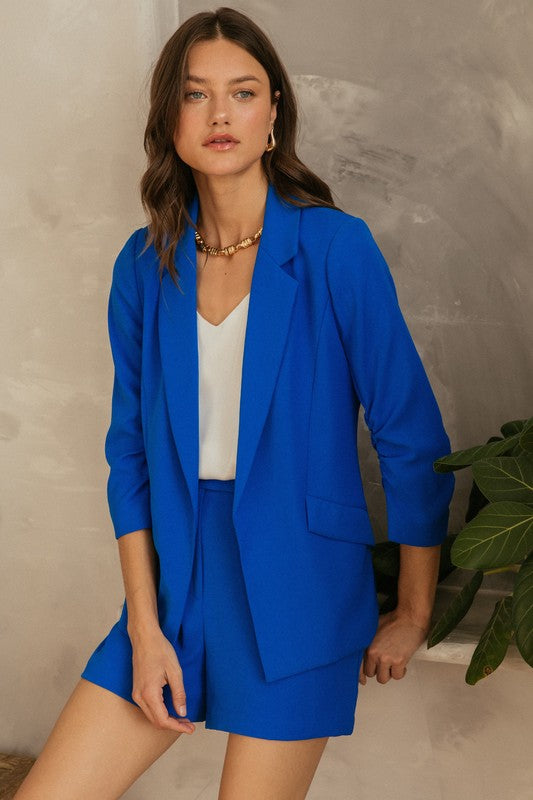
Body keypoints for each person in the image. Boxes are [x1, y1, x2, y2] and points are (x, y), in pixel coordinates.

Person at [14, 6, 455, 799]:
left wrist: (414, 611)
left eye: (242, 92)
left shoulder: (334, 248)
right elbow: (129, 455)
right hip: (176, 584)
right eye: (196, 94)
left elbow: (409, 436)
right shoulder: (144, 265)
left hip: (301, 589)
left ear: (273, 112)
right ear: (169, 117)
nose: (220, 114)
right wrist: (144, 628)